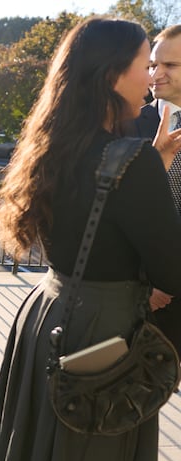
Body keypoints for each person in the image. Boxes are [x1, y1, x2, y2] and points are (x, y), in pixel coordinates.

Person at [0, 18, 181, 461]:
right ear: (113, 75)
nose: (151, 79)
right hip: (104, 337)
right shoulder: (131, 159)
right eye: (144, 66)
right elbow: (172, 269)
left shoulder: (55, 145)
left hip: (50, 312)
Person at [132, 24, 181, 353]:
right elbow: (115, 214)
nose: (156, 74)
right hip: (151, 298)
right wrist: (139, 284)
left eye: (170, 65)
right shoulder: (128, 125)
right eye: (153, 65)